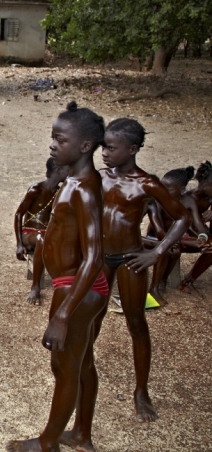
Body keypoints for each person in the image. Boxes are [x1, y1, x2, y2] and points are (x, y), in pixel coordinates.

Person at [6, 102, 108, 452]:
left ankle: (47, 443)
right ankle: (81, 434)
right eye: (52, 137)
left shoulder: (85, 187)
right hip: (78, 287)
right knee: (82, 363)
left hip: (76, 289)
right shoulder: (75, 181)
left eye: (59, 139)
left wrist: (63, 315)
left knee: (64, 367)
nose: (52, 145)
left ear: (84, 146)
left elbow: (94, 256)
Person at [96, 118, 189, 424]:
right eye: (103, 146)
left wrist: (157, 252)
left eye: (111, 147)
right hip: (100, 258)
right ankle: (81, 373)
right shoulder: (99, 177)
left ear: (132, 149)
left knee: (136, 323)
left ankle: (141, 391)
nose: (105, 152)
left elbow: (181, 217)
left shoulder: (147, 184)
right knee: (92, 318)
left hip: (129, 259)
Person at [143, 167, 208, 303]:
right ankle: (156, 285)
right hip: (156, 236)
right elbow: (160, 231)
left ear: (182, 189)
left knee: (178, 248)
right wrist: (188, 242)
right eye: (162, 186)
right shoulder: (158, 201)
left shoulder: (188, 202)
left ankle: (164, 280)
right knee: (168, 249)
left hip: (175, 238)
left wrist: (202, 239)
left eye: (169, 189)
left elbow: (199, 226)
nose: (163, 191)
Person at [14, 158, 69, 305]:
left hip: (47, 233)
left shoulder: (60, 192)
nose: (70, 173)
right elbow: (19, 214)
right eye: (67, 170)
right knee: (40, 239)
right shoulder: (36, 189)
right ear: (58, 171)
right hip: (29, 233)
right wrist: (19, 243)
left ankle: (69, 283)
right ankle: (35, 287)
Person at [179, 161, 212, 291]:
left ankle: (189, 280)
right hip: (182, 235)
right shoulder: (188, 198)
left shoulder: (209, 199)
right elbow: (183, 224)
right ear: (204, 183)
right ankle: (187, 283)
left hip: (200, 234)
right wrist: (202, 236)